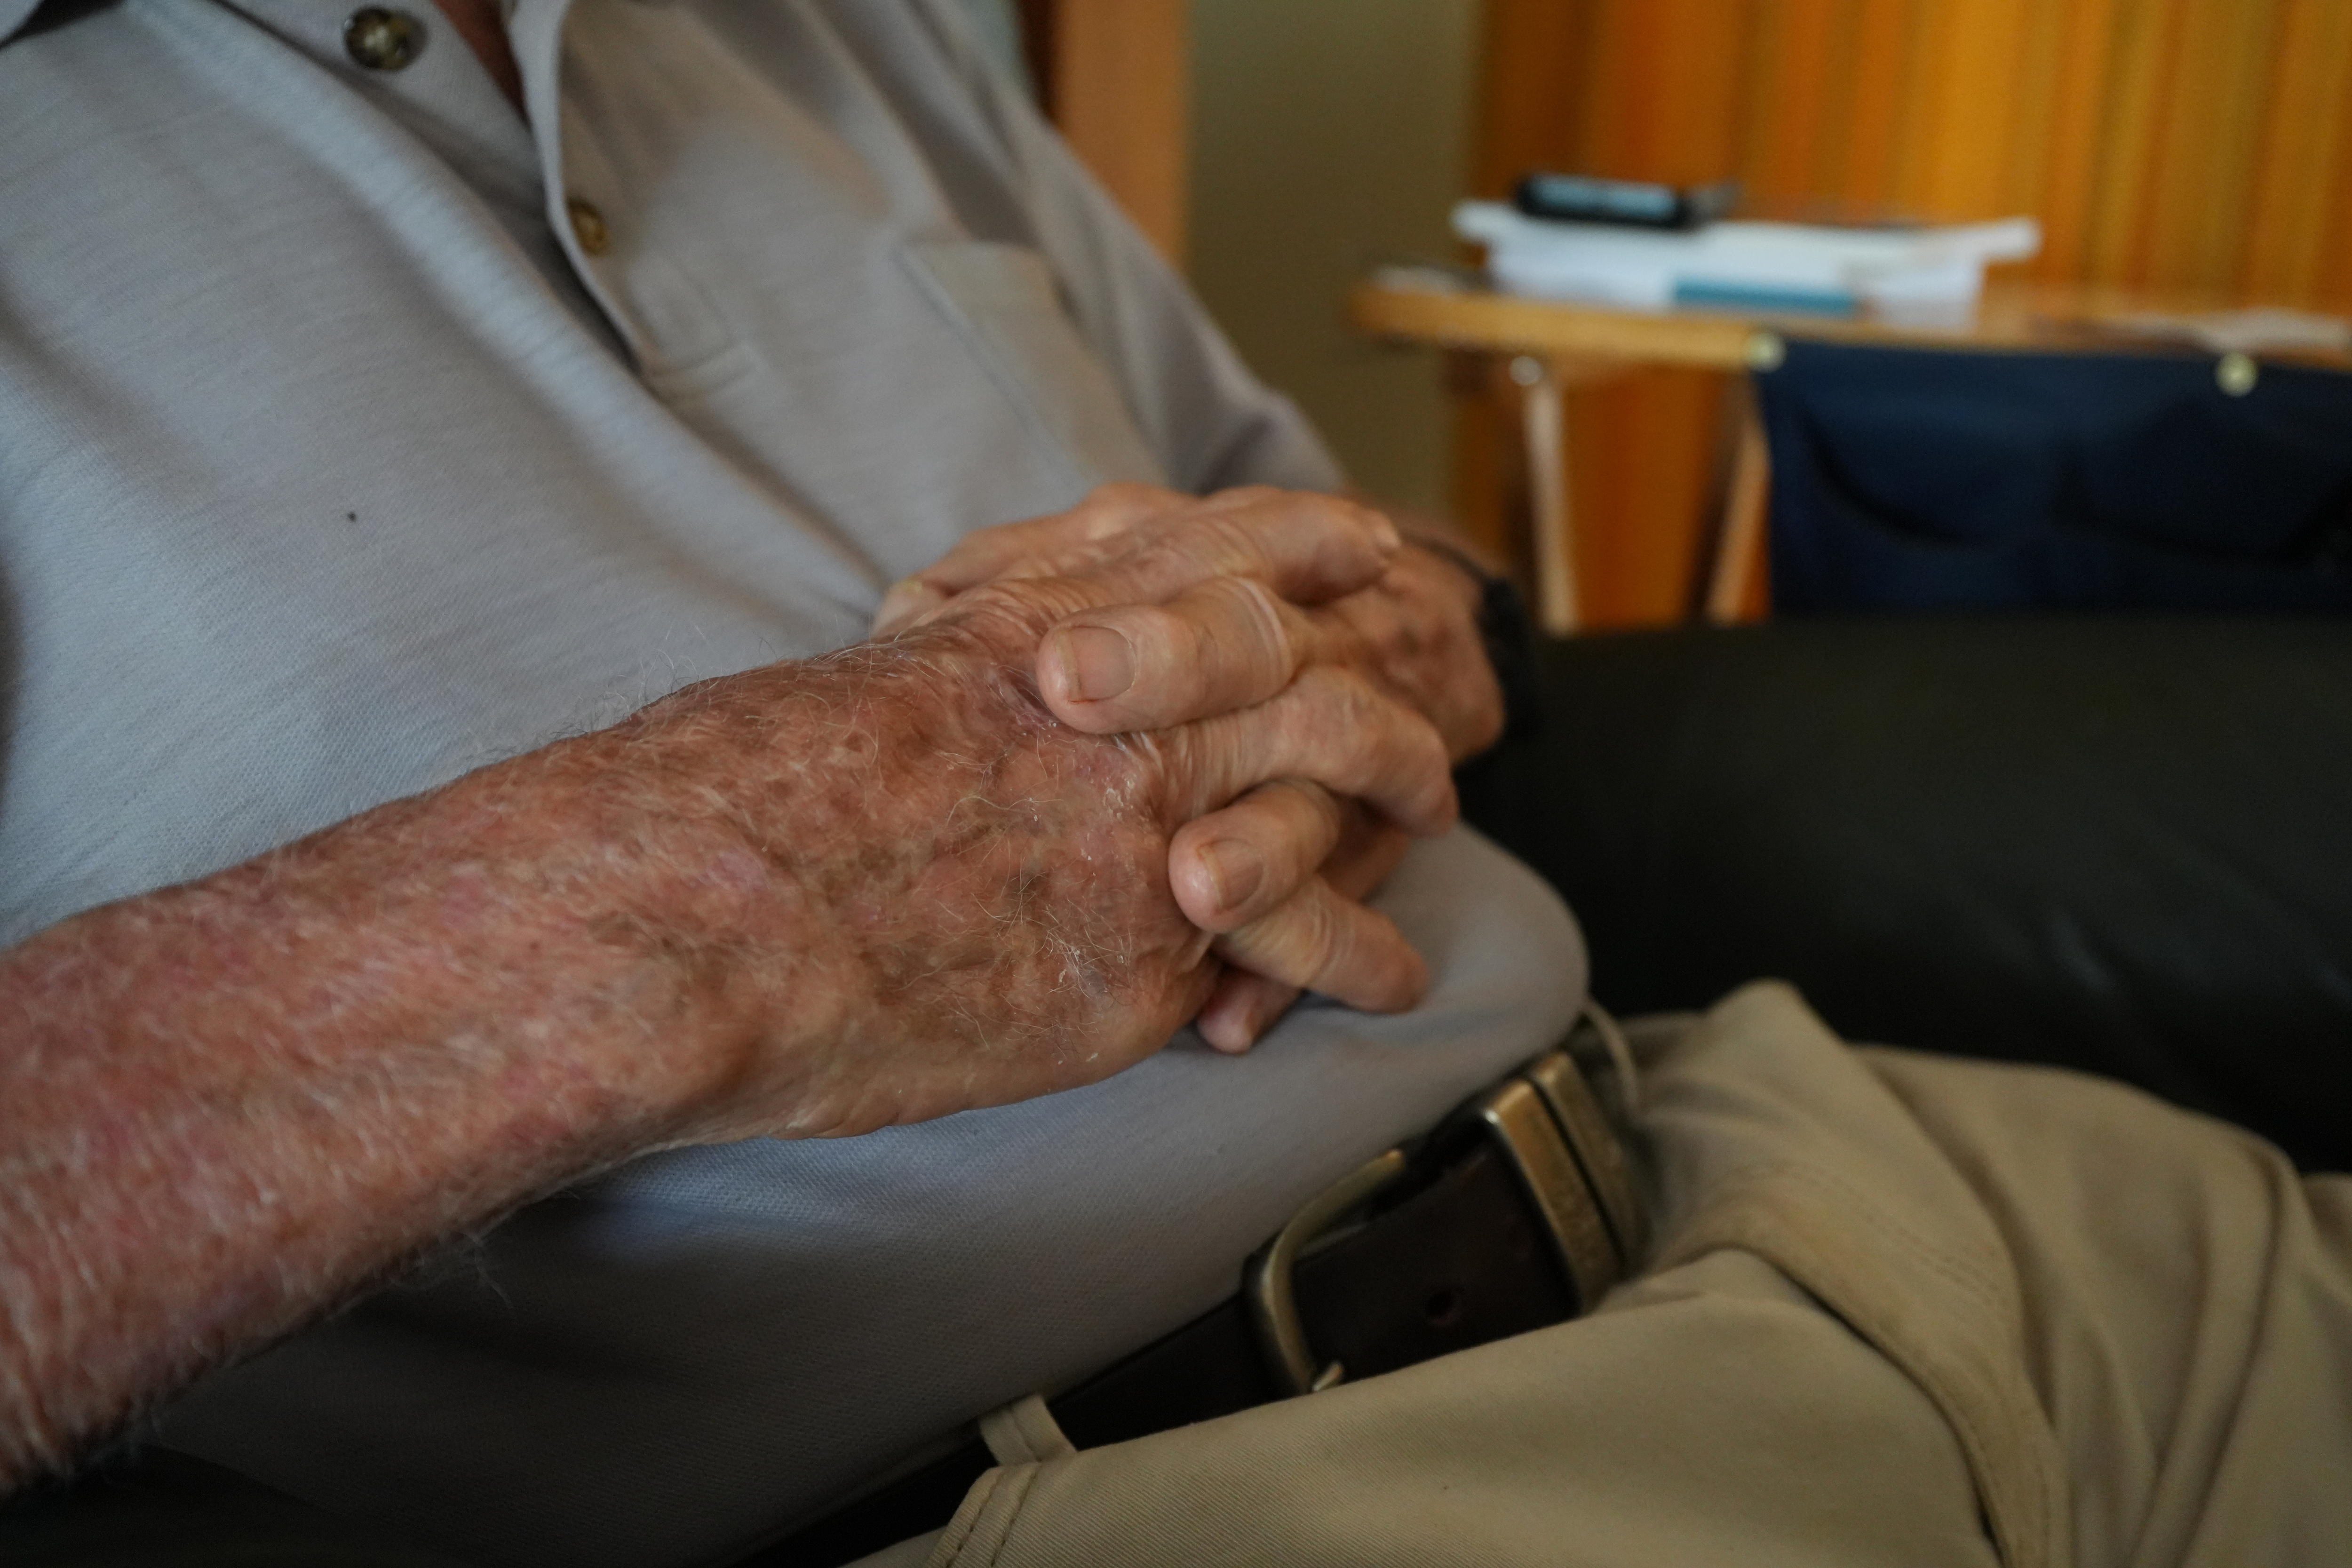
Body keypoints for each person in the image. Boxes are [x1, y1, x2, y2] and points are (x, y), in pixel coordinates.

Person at [1, 4, 2347, 1567]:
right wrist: (717, 899)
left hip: (1813, 1176)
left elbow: (1370, 550)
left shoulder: (834, 26)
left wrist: (1383, 641)